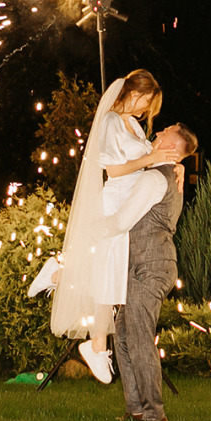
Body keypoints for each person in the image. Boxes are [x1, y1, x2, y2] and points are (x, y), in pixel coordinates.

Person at [31, 70, 180, 381]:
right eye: (146, 102)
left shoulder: (134, 127)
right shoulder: (112, 121)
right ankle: (97, 345)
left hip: (130, 203)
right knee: (108, 275)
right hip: (115, 201)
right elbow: (114, 170)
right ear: (135, 93)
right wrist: (149, 159)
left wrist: (173, 165)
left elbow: (148, 161)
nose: (145, 110)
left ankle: (61, 278)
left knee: (108, 275)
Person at [116, 122, 197, 421]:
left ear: (173, 148)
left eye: (163, 134)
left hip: (149, 266)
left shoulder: (156, 179)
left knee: (137, 338)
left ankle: (153, 415)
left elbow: (123, 219)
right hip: (143, 265)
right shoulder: (164, 175)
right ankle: (136, 407)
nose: (156, 134)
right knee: (122, 336)